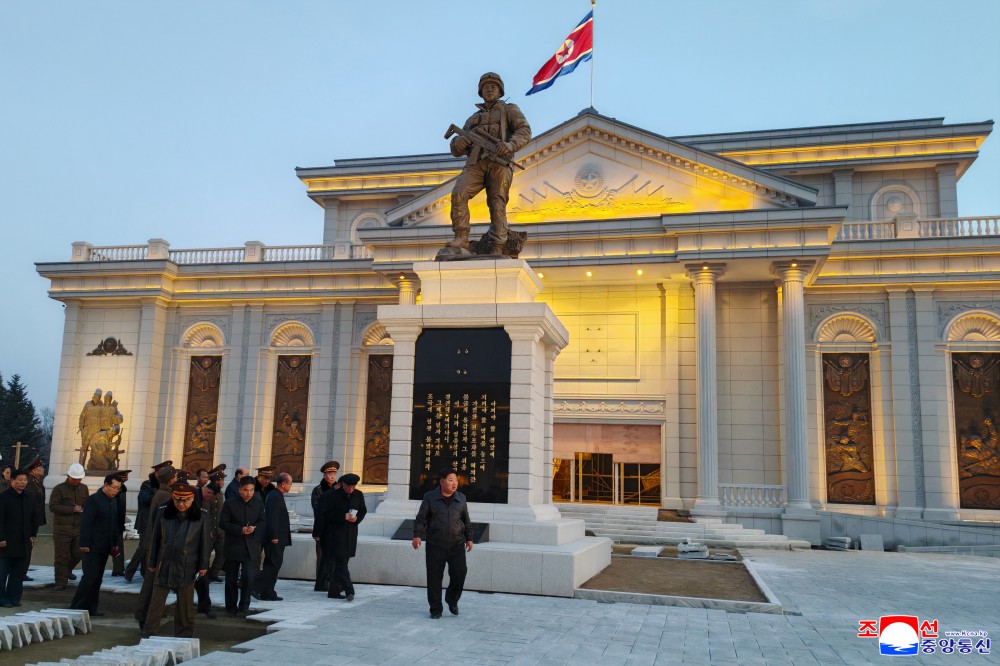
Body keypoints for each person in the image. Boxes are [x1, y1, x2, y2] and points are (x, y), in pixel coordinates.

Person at [443, 72, 531, 258]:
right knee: (459, 193)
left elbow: (524, 130)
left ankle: (497, 245)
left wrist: (509, 145)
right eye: (485, 87)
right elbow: (457, 147)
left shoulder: (509, 110)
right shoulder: (473, 118)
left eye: (493, 86)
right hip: (476, 162)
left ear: (500, 91)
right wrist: (458, 143)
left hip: (499, 163)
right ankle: (461, 237)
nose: (489, 89)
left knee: (497, 202)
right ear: (480, 92)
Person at [141, 482, 212, 639]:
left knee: (185, 605)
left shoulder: (201, 516)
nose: (181, 504)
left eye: (185, 500)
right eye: (178, 500)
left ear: (192, 499)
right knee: (156, 602)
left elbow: (205, 542)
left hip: (187, 566)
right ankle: (148, 633)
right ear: (173, 498)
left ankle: (184, 636)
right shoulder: (163, 512)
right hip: (164, 563)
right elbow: (156, 539)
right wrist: (152, 562)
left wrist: (203, 565)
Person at [412, 468, 474, 619]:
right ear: (442, 482)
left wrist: (469, 538)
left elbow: (466, 520)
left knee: (460, 573)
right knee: (434, 578)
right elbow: (421, 518)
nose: (454, 484)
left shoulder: (461, 498)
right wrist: (417, 535)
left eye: (456, 481)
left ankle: (452, 600)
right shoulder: (429, 497)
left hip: (456, 544)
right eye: (451, 480)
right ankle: (435, 609)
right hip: (435, 544)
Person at [70, 473, 123, 616]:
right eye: (114, 487)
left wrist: (115, 543)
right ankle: (76, 608)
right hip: (92, 546)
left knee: (98, 578)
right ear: (105, 485)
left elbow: (114, 524)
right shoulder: (93, 500)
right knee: (89, 577)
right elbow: (86, 523)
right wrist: (84, 543)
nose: (116, 491)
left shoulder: (113, 501)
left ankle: (91, 608)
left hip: (105, 546)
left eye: (118, 488)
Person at [134, 463, 178, 626]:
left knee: (152, 584)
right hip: (158, 547)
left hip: (155, 545)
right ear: (171, 480)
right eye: (175, 477)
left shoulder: (161, 493)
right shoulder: (165, 496)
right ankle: (145, 617)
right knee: (153, 585)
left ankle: (145, 615)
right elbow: (163, 525)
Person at [315, 472, 365, 602]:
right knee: (341, 563)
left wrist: (356, 519)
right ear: (343, 484)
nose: (351, 489)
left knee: (341, 563)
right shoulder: (333, 495)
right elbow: (325, 514)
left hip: (350, 534)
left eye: (353, 486)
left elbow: (362, 510)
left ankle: (334, 591)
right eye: (349, 486)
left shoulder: (358, 495)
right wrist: (342, 516)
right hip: (336, 535)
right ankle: (349, 590)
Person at [219, 476, 264, 617]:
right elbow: (223, 523)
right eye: (245, 490)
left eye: (251, 490)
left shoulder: (258, 503)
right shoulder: (230, 503)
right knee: (231, 579)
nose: (248, 493)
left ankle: (244, 606)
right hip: (233, 546)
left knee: (248, 577)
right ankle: (231, 607)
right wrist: (240, 529)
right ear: (239, 490)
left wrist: (255, 528)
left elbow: (263, 521)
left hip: (250, 547)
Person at [124, 460, 172, 582]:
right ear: (156, 473)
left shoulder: (166, 487)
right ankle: (129, 571)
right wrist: (159, 494)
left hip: (157, 522)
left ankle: (145, 572)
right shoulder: (147, 485)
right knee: (144, 547)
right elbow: (144, 499)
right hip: (146, 522)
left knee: (151, 548)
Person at [0, 469, 41, 607]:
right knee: (2, 572)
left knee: (18, 572)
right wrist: (1, 538)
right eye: (20, 480)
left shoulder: (29, 496)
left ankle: (14, 597)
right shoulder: (3, 497)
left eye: (25, 480)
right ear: (12, 480)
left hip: (23, 541)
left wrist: (33, 534)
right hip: (6, 542)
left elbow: (35, 516)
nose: (23, 483)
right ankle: (1, 598)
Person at [49, 462, 89, 590]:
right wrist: (72, 509)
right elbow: (53, 506)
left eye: (79, 479)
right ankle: (60, 582)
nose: (77, 481)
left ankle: (66, 571)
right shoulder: (59, 489)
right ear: (68, 476)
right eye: (75, 478)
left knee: (79, 553)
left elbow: (87, 504)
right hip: (62, 528)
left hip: (78, 527)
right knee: (61, 556)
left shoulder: (84, 488)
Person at [254, 472, 291, 601]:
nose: (290, 486)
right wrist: (274, 536)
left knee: (273, 565)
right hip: (275, 538)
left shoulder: (276, 495)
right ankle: (251, 585)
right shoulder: (275, 496)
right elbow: (272, 518)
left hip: (278, 537)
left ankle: (268, 592)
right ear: (283, 484)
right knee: (273, 565)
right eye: (290, 483)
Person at [310, 460, 340, 593]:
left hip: (336, 529)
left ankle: (332, 581)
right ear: (324, 475)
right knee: (322, 557)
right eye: (329, 474)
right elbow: (318, 511)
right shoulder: (318, 490)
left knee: (334, 557)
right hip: (323, 529)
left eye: (334, 474)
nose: (332, 477)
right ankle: (321, 583)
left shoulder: (340, 488)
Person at [24, 458, 47, 581]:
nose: (43, 469)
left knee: (29, 546)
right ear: (33, 470)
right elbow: (31, 504)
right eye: (40, 467)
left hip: (34, 520)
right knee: (27, 546)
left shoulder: (37, 482)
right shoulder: (30, 483)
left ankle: (22, 571)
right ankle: (21, 572)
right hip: (29, 521)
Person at [205, 468, 227, 582]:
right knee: (206, 554)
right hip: (210, 530)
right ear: (217, 481)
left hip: (220, 529)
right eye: (222, 480)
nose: (223, 482)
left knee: (222, 553)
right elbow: (206, 513)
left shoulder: (220, 493)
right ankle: (204, 576)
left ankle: (213, 573)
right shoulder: (207, 492)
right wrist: (208, 529)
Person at [111, 469, 132, 576]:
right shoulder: (110, 490)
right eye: (121, 481)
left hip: (118, 523)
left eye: (124, 482)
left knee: (118, 547)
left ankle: (118, 569)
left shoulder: (123, 490)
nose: (122, 483)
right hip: (109, 523)